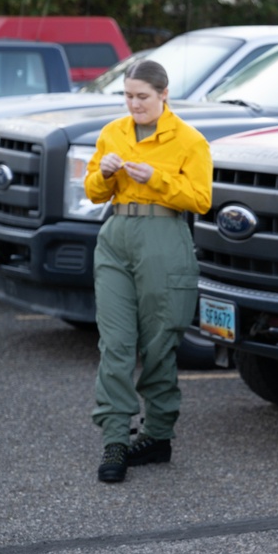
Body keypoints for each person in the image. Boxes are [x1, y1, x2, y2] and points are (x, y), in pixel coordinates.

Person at [85, 59, 212, 483]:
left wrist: (156, 178)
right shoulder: (112, 133)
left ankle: (157, 434)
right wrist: (103, 175)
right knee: (116, 342)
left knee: (160, 340)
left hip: (163, 236)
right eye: (128, 96)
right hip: (116, 234)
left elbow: (200, 199)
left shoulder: (189, 140)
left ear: (164, 95)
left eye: (142, 97)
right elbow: (92, 190)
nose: (134, 104)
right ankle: (116, 438)